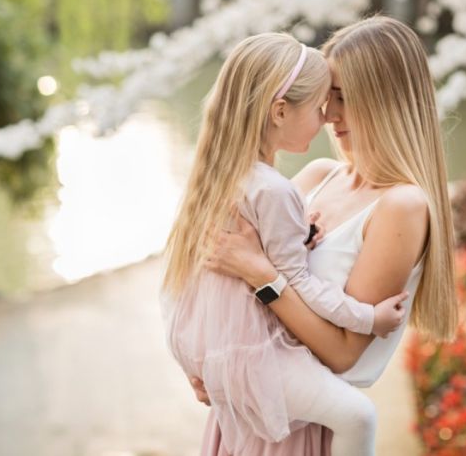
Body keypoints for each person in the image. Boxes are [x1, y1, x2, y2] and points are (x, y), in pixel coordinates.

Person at [194, 15, 459, 454]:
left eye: (343, 97)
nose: (329, 114)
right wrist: (208, 361)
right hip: (249, 411)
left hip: (306, 431)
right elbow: (219, 252)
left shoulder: (401, 206)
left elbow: (342, 353)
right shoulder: (319, 175)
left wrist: (261, 274)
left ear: (387, 101)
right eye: (324, 97)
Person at [160, 32, 409, 456]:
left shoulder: (217, 178)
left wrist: (194, 359)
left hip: (216, 353)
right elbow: (298, 283)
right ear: (279, 110)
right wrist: (370, 318)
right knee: (358, 416)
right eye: (319, 106)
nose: (328, 117)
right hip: (258, 356)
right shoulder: (276, 189)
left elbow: (177, 283)